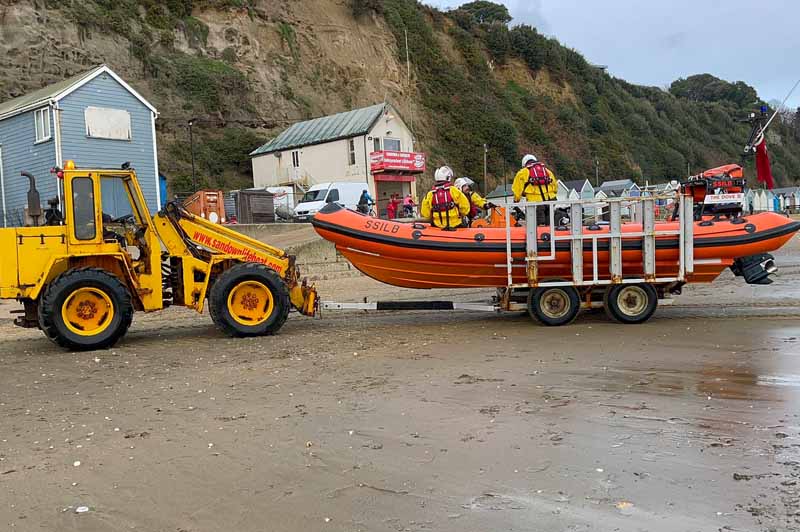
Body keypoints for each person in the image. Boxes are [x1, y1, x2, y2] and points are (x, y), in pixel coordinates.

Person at [512, 154, 558, 224]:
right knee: (550, 224)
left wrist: (516, 201)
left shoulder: (522, 172)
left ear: (524, 164)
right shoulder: (546, 170)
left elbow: (517, 190)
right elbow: (555, 186)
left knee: (537, 226)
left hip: (535, 203)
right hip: (551, 200)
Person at [421, 166, 470, 230]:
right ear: (448, 177)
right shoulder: (454, 191)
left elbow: (425, 214)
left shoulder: (430, 194)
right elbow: (465, 208)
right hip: (455, 225)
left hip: (437, 226)